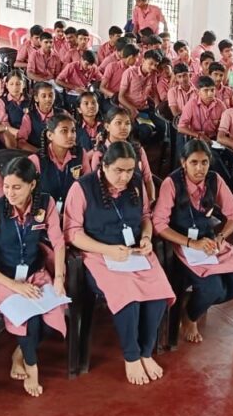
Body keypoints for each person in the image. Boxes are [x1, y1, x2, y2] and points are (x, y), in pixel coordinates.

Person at [64, 142, 174, 385]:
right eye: (118, 171)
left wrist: (146, 238)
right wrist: (107, 250)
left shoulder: (136, 183)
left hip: (133, 253)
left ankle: (146, 352)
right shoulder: (82, 187)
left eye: (129, 171)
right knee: (128, 296)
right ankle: (131, 356)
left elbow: (145, 217)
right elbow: (72, 233)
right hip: (99, 255)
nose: (125, 177)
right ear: (104, 166)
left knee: (158, 293)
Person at [0, 156, 68, 396]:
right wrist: (14, 285)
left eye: (17, 187)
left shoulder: (45, 203)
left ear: (32, 185)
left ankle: (19, 354)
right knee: (30, 319)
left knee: (54, 312)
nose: (10, 193)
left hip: (33, 273)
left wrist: (59, 278)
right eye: (6, 186)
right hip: (2, 276)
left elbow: (58, 242)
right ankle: (33, 369)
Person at [153, 140, 233, 343]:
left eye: (204, 162)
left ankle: (193, 303)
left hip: (209, 243)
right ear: (184, 162)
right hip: (182, 245)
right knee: (212, 288)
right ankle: (190, 316)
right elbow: (159, 225)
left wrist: (221, 237)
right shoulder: (172, 183)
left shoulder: (214, 180)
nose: (200, 168)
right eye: (194, 162)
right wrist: (191, 243)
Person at [28, 113, 85, 211]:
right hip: (44, 213)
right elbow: (28, 196)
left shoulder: (81, 154)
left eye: (73, 131)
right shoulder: (36, 160)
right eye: (64, 131)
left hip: (74, 211)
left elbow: (86, 187)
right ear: (50, 135)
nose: (71, 135)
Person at [177, 76, 227, 144]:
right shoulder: (191, 104)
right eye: (206, 90)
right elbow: (181, 127)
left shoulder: (220, 104)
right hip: (196, 138)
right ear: (198, 92)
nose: (210, 94)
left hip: (214, 139)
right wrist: (198, 135)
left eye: (212, 90)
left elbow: (227, 124)